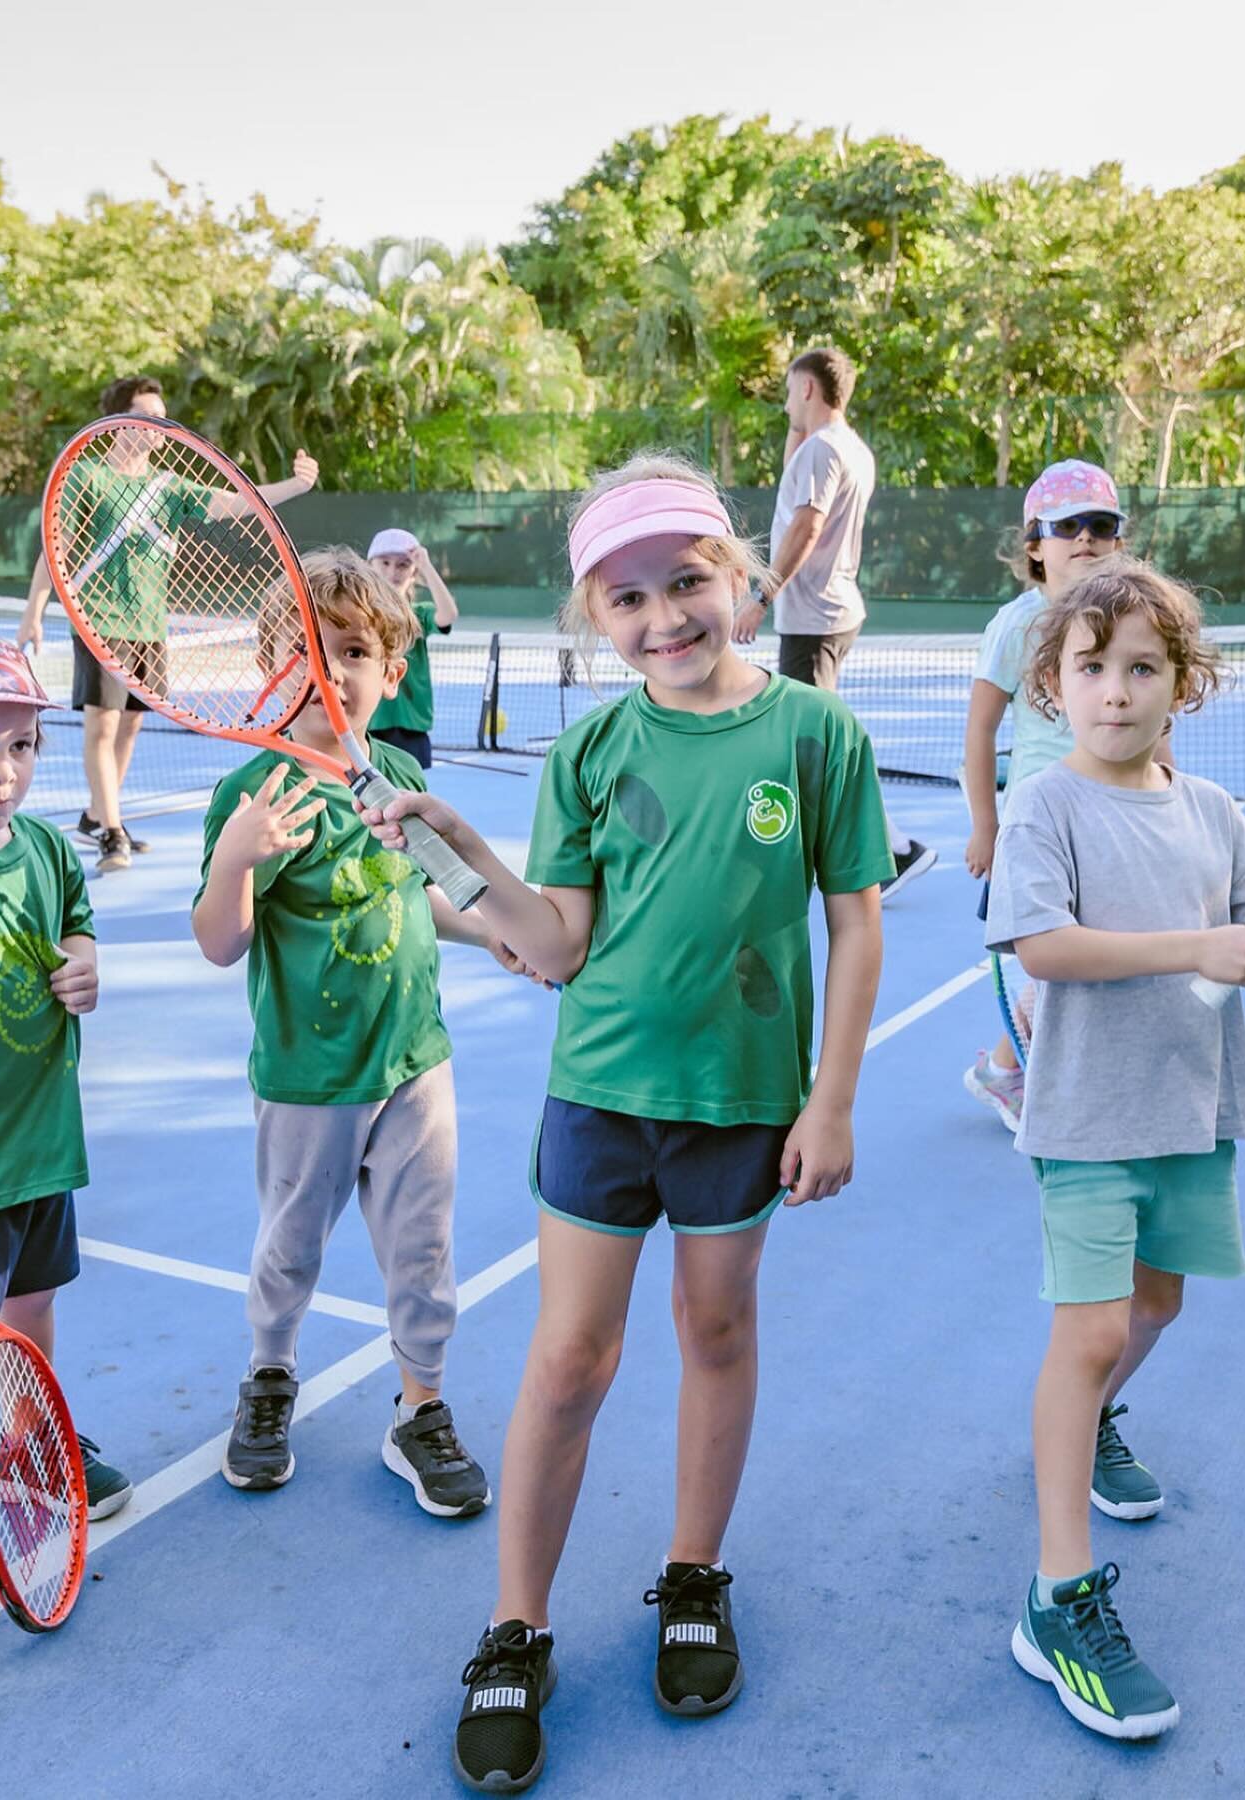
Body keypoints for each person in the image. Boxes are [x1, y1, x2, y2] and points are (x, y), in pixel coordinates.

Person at [358, 455, 892, 1794]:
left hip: (743, 1107)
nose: (666, 616)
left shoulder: (815, 736)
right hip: (599, 1098)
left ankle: (693, 1573)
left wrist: (832, 1099)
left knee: (716, 1331)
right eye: (630, 595)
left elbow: (855, 917)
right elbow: (553, 945)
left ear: (740, 577)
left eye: (689, 582)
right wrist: (467, 854)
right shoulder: (592, 750)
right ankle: (515, 1625)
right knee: (566, 1362)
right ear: (594, 613)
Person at [985, 558, 1245, 1740]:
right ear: (1053, 684)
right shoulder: (1047, 807)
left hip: (1192, 1113)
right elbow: (1040, 945)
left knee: (1155, 1311)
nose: (1116, 691)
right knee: (1088, 1332)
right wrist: (1194, 949)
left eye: (1142, 667)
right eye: (1091, 668)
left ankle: (1080, 1422)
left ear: (1181, 686)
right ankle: (1057, 1599)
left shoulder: (1212, 813)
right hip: (1089, 1115)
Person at [192, 548, 532, 1515]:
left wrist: (495, 933)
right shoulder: (251, 798)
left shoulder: (396, 776)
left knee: (423, 1252)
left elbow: (430, 890)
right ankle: (269, 1376)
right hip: (307, 1079)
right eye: (299, 645)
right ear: (268, 663)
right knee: (290, 1248)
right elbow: (221, 943)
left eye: (349, 649)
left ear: (391, 674)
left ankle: (418, 1406)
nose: (326, 666)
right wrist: (236, 862)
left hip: (415, 1064)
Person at [0, 633, 132, 1519]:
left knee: (31, 1307)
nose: (2, 773)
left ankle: (30, 1437)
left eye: (21, 746)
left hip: (42, 1144)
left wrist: (85, 962)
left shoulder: (50, 851)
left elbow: (76, 916)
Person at [19, 375, 319, 874]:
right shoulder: (86, 476)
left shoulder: (168, 485)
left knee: (131, 725)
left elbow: (234, 503)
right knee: (103, 724)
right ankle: (113, 832)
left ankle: (98, 814)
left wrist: (297, 485)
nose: (159, 428)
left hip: (149, 623)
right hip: (99, 618)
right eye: (147, 417)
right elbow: (56, 549)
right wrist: (35, 612)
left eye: (163, 418)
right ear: (117, 422)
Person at [962, 460, 1136, 1129]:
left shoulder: (1133, 618)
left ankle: (1005, 1070)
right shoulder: (1019, 625)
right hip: (1039, 822)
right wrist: (985, 825)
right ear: (1035, 544)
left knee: (1100, 947)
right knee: (1059, 959)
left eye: (1101, 524)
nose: (1085, 537)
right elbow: (980, 730)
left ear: (1118, 540)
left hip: (1113, 813)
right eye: (1067, 526)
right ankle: (1027, 1077)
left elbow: (1155, 722)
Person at [732, 346, 936, 897]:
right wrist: (797, 436)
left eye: (788, 393)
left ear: (807, 389)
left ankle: (890, 853)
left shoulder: (823, 451)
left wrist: (760, 595)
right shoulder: (842, 448)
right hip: (826, 614)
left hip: (813, 618)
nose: (783, 408)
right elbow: (794, 487)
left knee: (814, 743)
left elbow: (807, 526)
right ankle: (880, 849)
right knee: (817, 736)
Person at [367, 527, 459, 768]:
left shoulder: (420, 614)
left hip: (410, 725)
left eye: (402, 565)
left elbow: (448, 615)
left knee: (408, 798)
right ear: (370, 566)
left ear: (413, 572)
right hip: (368, 722)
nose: (393, 571)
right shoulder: (360, 613)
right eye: (385, 562)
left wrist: (427, 567)